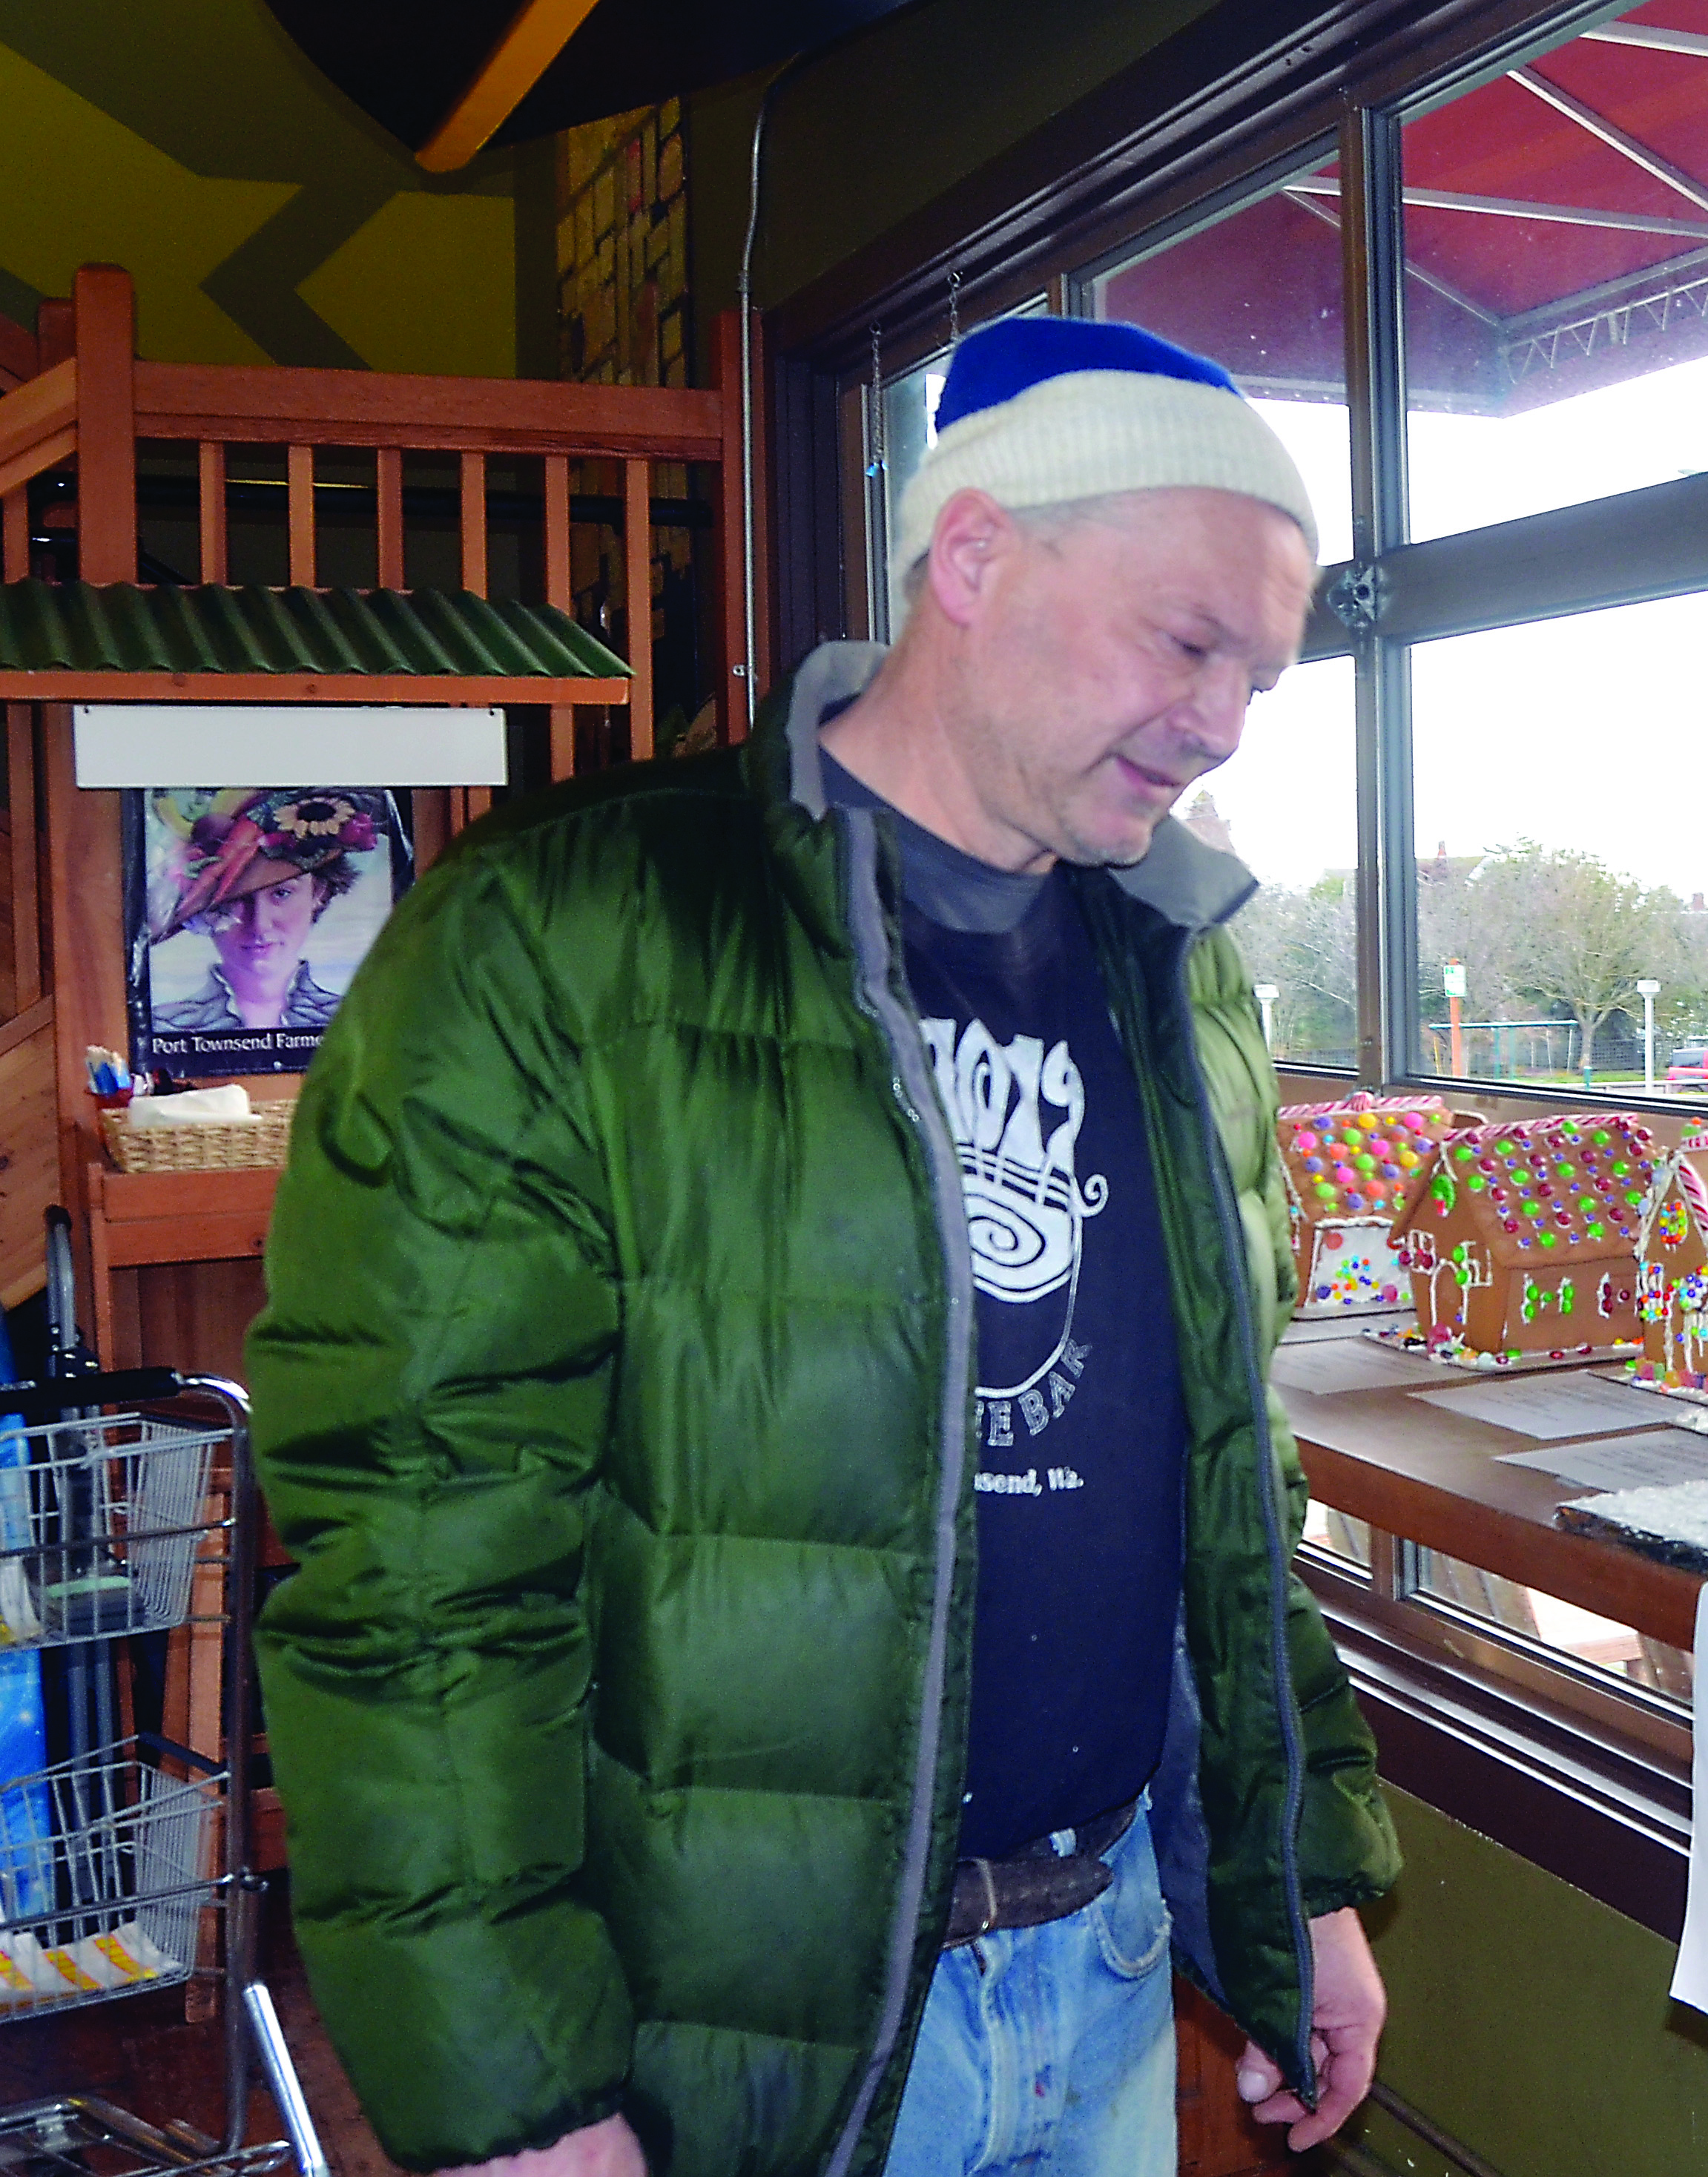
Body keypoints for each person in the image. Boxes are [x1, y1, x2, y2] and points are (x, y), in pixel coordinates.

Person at [246, 317, 1401, 2177]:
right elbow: (418, 1555)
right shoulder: (565, 932)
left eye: (1258, 677)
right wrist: (518, 2088)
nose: (1221, 723)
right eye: (1187, 641)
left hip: (1108, 1970)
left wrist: (1300, 1877)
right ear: (976, 557)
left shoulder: (1187, 976)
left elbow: (1224, 1487)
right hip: (735, 2038)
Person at [148, 788, 382, 1033]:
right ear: (204, 914)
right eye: (237, 901)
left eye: (281, 894)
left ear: (318, 893)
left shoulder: (363, 1027)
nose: (260, 924)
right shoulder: (165, 1026)